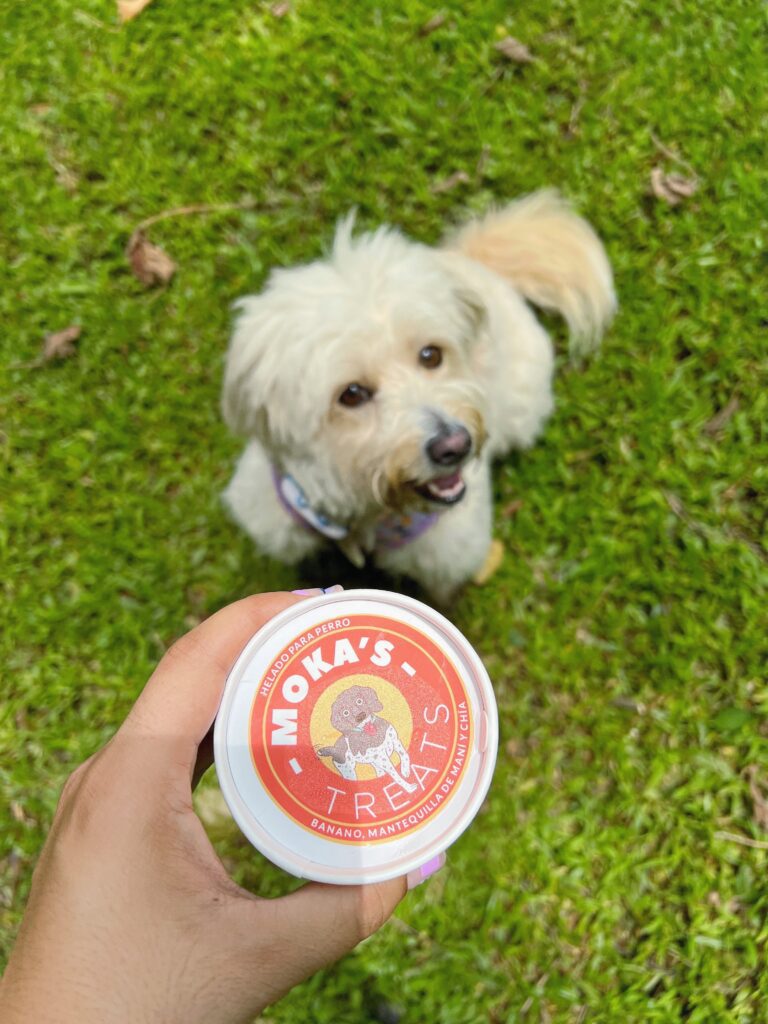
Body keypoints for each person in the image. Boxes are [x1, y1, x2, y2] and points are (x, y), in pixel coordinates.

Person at [1, 591, 444, 1023]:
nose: (362, 714)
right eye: (353, 713)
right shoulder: (350, 741)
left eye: (364, 707)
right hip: (354, 761)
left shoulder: (385, 723)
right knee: (350, 767)